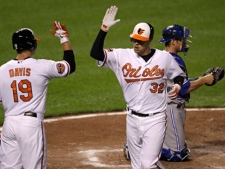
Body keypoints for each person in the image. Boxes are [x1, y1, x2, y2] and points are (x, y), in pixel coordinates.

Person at [90, 6, 185, 169]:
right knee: (138, 166)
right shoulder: (121, 56)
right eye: (134, 39)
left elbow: (178, 74)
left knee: (148, 164)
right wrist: (103, 29)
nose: (136, 43)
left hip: (155, 119)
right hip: (132, 119)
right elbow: (95, 54)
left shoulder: (164, 58)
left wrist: (177, 85)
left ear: (149, 41)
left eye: (140, 41)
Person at [0, 21, 76, 169]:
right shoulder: (41, 66)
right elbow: (70, 65)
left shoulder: (2, 70)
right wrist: (64, 38)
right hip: (30, 125)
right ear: (31, 45)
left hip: (9, 125)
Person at [158, 24, 214, 162]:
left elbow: (178, 83)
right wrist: (204, 80)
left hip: (163, 107)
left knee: (178, 146)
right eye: (181, 39)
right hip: (171, 109)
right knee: (178, 154)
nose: (183, 42)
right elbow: (184, 88)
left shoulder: (161, 57)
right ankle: (141, 147)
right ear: (173, 41)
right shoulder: (173, 60)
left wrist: (201, 79)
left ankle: (144, 144)